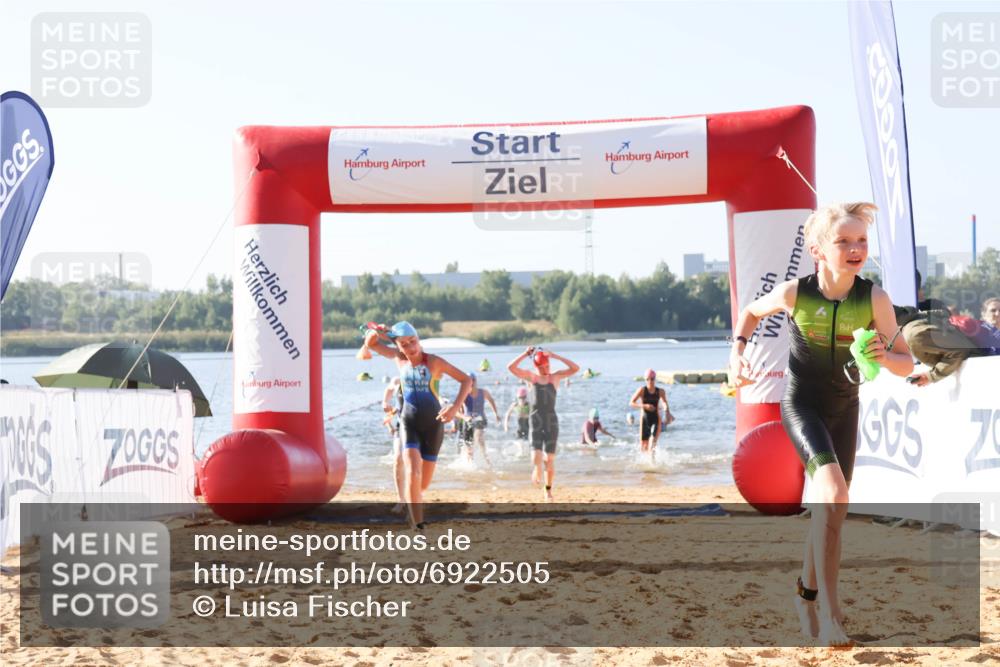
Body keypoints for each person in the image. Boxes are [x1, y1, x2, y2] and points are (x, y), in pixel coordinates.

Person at [729, 202, 913, 646]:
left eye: (862, 242)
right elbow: (750, 313)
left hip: (845, 408)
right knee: (832, 496)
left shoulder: (874, 298)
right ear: (817, 249)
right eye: (844, 241)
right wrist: (736, 352)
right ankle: (832, 618)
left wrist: (884, 357)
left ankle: (805, 596)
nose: (855, 249)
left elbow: (906, 362)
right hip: (802, 404)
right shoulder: (797, 294)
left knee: (831, 510)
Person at [364, 321, 472, 530]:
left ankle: (411, 504)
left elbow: (466, 380)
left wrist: (454, 408)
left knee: (421, 484)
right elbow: (371, 343)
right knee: (413, 470)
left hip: (434, 425)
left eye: (413, 341)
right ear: (399, 347)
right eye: (404, 345)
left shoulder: (434, 362)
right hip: (408, 422)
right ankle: (417, 526)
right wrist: (379, 331)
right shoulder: (398, 359)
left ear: (418, 339)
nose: (411, 348)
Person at [508, 347, 579, 501]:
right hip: (535, 422)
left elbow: (575, 368)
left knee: (549, 459)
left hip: (551, 422)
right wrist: (525, 354)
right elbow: (511, 368)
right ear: (536, 367)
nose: (546, 369)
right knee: (536, 458)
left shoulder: (555, 377)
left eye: (548, 366)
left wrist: (555, 355)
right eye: (542, 367)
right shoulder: (532, 378)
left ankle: (548, 490)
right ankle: (536, 468)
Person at [457, 372, 500, 465]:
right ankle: (470, 465)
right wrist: (464, 417)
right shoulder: (464, 394)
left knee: (479, 438)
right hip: (468, 421)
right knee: (469, 447)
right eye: (468, 381)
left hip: (481, 419)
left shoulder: (483, 392)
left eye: (472, 380)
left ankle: (487, 460)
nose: (471, 383)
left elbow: (491, 400)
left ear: (475, 381)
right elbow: (457, 410)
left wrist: (496, 414)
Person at [628, 369, 672, 457]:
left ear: (655, 379)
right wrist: (645, 406)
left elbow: (664, 402)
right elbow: (631, 403)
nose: (650, 381)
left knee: (652, 441)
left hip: (656, 418)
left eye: (652, 379)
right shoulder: (642, 390)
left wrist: (667, 411)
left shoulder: (660, 391)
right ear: (645, 379)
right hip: (644, 419)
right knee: (643, 446)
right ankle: (646, 466)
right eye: (648, 379)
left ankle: (653, 463)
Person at [381, 377, 406, 512]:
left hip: (420, 424)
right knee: (398, 460)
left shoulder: (423, 376)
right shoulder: (398, 380)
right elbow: (389, 389)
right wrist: (385, 402)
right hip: (401, 425)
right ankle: (401, 500)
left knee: (417, 462)